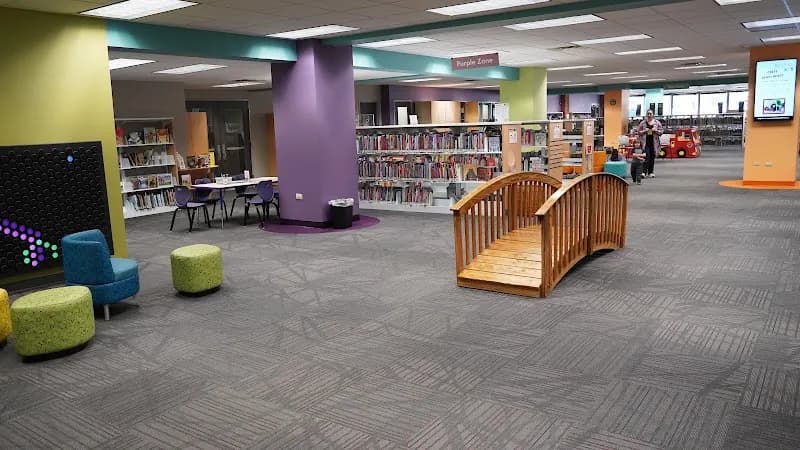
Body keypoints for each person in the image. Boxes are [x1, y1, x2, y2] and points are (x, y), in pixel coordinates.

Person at [636, 109, 663, 178]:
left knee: (652, 157)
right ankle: (644, 172)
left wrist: (656, 130)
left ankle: (651, 172)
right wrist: (644, 131)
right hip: (645, 143)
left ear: (653, 114)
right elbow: (638, 132)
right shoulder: (643, 123)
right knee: (646, 156)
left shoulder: (657, 122)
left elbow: (661, 132)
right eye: (648, 113)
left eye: (650, 113)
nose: (649, 115)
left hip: (654, 143)